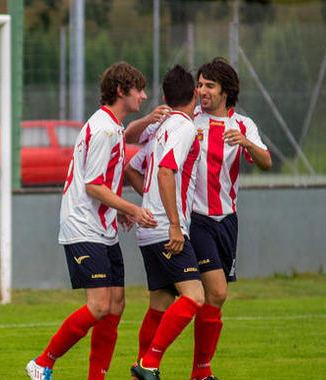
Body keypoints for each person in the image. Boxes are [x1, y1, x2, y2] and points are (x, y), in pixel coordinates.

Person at [25, 61, 157, 380]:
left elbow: (100, 182)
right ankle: (43, 362)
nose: (144, 94)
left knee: (116, 304)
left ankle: (96, 377)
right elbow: (93, 185)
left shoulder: (113, 126)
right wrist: (133, 208)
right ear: (121, 91)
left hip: (102, 227)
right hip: (83, 226)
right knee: (98, 305)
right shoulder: (104, 129)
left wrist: (120, 211)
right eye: (138, 88)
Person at [187, 57, 271, 380]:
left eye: (209, 85)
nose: (202, 90)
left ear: (226, 91)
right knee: (218, 292)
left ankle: (199, 372)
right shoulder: (190, 121)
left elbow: (265, 162)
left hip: (228, 220)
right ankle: (200, 372)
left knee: (213, 299)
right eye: (200, 84)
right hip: (198, 219)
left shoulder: (243, 125)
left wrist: (247, 142)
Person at [125, 65, 204, 380]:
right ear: (195, 94)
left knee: (159, 305)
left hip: (149, 229)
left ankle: (140, 367)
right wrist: (173, 223)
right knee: (195, 296)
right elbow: (165, 171)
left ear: (164, 97)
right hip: (164, 230)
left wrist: (149, 199)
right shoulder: (184, 128)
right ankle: (149, 364)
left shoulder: (161, 127)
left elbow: (132, 167)